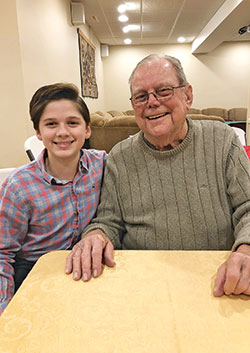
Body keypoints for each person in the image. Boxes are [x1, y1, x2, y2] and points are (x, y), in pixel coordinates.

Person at [65, 54, 250, 297]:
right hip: (143, 286)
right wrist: (95, 236)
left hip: (219, 282)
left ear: (187, 96)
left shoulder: (222, 140)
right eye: (141, 96)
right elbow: (108, 221)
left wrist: (246, 250)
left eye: (163, 91)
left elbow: (247, 206)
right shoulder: (120, 157)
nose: (152, 102)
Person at [0, 83, 106, 314]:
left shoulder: (101, 164)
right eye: (51, 124)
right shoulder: (18, 188)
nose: (62, 132)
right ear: (38, 133)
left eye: (72, 122)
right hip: (32, 272)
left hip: (81, 266)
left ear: (87, 130)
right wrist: (5, 313)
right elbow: (2, 255)